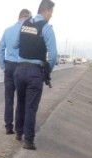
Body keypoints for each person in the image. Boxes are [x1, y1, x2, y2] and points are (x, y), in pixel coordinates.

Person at [14, 0, 58, 150]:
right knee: (31, 107)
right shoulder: (46, 28)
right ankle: (29, 141)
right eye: (51, 12)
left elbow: (15, 44)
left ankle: (19, 133)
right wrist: (48, 70)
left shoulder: (24, 24)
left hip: (19, 70)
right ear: (46, 11)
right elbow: (53, 56)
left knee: (20, 103)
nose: (51, 16)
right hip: (35, 72)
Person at [0, 8, 32, 135]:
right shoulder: (27, 31)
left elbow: (0, 50)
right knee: (21, 99)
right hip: (21, 66)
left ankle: (8, 127)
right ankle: (19, 129)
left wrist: (3, 66)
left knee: (9, 98)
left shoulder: (7, 31)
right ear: (27, 17)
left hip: (9, 66)